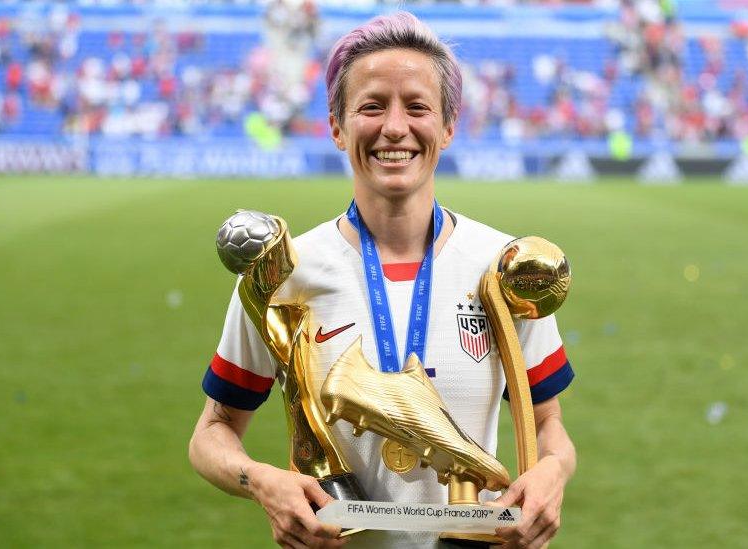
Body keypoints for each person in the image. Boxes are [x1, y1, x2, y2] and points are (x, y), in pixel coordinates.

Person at [188, 11, 576, 549]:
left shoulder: (501, 265)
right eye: (372, 106)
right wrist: (264, 484)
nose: (395, 127)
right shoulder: (284, 272)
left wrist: (551, 475)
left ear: (448, 125)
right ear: (337, 126)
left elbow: (549, 423)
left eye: (417, 106)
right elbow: (212, 433)